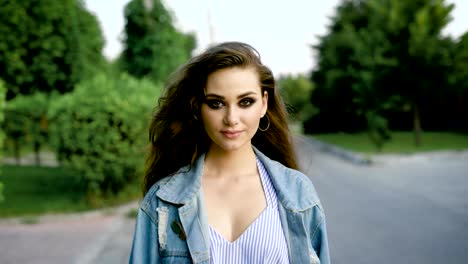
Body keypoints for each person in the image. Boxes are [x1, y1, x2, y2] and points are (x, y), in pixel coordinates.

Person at [129, 41, 330, 263]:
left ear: (263, 103)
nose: (232, 119)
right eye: (216, 103)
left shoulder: (299, 193)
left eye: (246, 102)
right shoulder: (163, 201)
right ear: (198, 107)